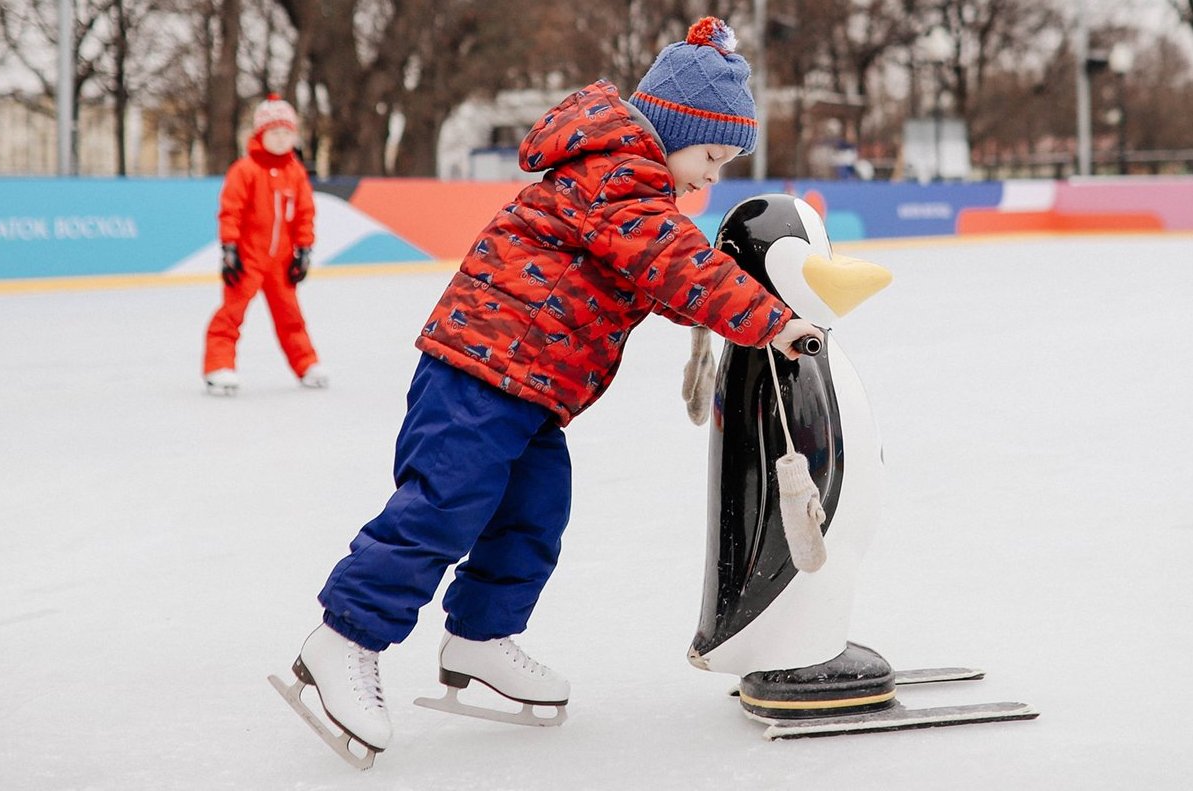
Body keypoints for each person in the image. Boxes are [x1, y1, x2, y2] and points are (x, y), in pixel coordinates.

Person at [276, 17, 823, 756]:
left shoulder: (633, 195)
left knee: (535, 510)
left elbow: (653, 276)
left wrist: (737, 307)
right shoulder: (620, 177)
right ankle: (344, 638)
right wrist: (770, 321)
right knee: (442, 507)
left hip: (530, 388)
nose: (712, 175)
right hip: (477, 372)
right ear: (669, 129)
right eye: (711, 155)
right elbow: (672, 265)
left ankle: (481, 634)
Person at [202, 94, 327, 396]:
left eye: (287, 133)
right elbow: (230, 209)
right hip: (248, 257)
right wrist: (230, 248)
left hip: (281, 260)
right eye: (275, 133)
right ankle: (218, 366)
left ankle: (306, 364)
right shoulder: (245, 170)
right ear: (261, 134)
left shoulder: (295, 172)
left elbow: (304, 213)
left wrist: (304, 250)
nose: (282, 139)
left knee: (291, 316)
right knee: (232, 313)